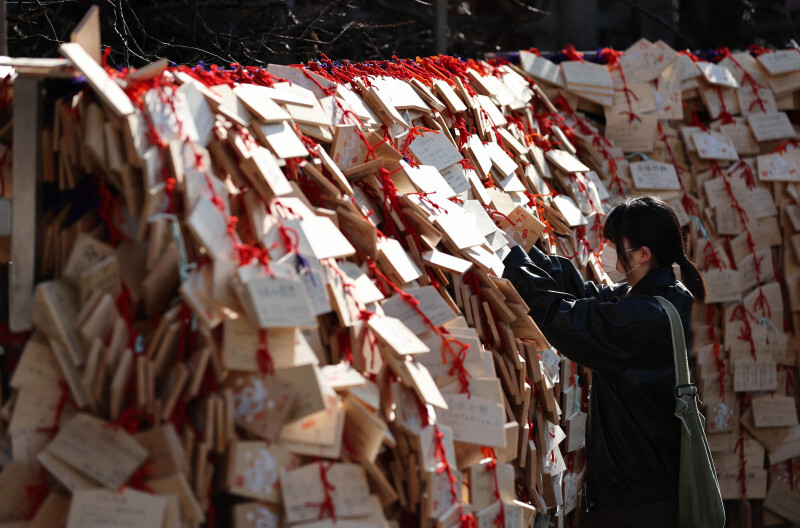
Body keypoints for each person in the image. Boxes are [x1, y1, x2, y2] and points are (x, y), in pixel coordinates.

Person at [502, 196, 707, 528]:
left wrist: (510, 260)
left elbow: (566, 319)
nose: (608, 250)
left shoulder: (644, 317)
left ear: (644, 253)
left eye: (615, 244)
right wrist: (524, 252)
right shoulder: (664, 296)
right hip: (647, 482)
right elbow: (585, 294)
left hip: (636, 498)